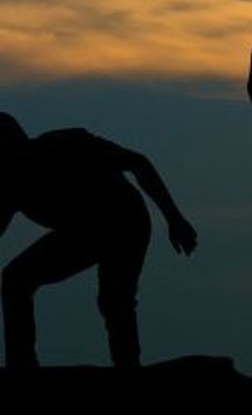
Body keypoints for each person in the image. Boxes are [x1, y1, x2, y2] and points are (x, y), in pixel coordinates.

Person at [1, 112, 197, 372]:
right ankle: (22, 365)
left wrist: (174, 218)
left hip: (126, 219)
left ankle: (127, 366)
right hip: (84, 231)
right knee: (16, 280)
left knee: (114, 298)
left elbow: (138, 163)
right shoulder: (9, 187)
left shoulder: (66, 145)